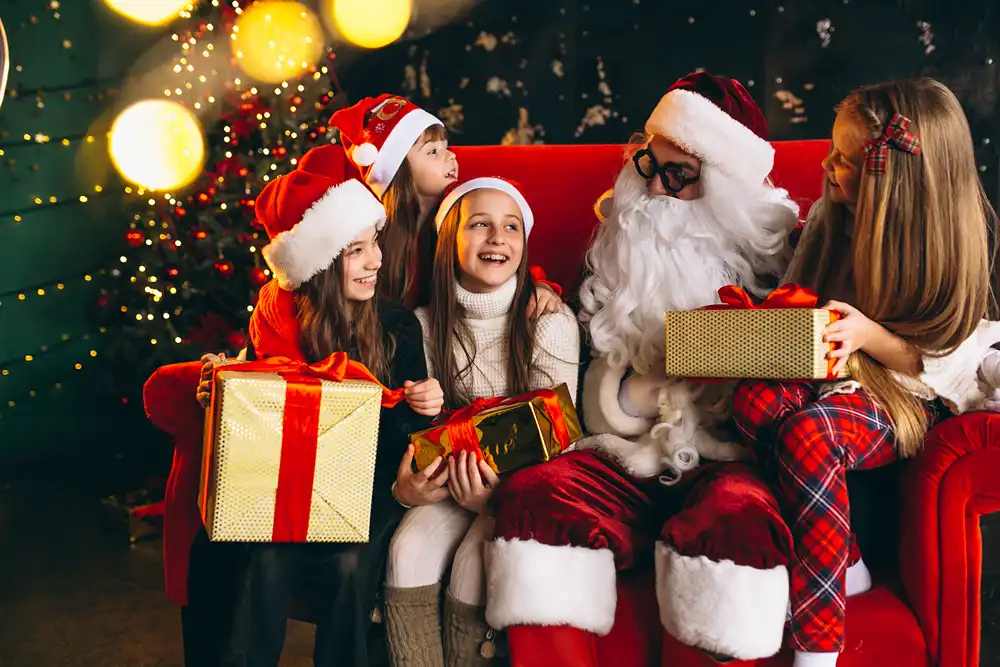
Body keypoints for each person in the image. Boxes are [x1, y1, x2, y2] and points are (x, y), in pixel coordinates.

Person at [482, 72, 802, 666]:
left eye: (677, 175)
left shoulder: (778, 258)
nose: (652, 188)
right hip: (622, 454)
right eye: (646, 164)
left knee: (734, 528)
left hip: (727, 459)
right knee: (535, 501)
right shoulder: (614, 252)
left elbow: (814, 350)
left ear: (725, 189)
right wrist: (645, 382)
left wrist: (721, 352)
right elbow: (582, 379)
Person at [731, 78, 1000, 667]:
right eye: (832, 151)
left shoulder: (949, 241)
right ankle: (844, 560)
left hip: (909, 390)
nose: (825, 167)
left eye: (844, 161)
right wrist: (760, 329)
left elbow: (944, 359)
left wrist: (867, 335)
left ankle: (818, 646)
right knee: (753, 400)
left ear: (891, 183)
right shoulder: (833, 217)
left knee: (812, 433)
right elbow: (794, 298)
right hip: (832, 371)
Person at [197, 170, 445, 667]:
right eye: (356, 250)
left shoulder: (396, 327)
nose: (376, 259)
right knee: (264, 558)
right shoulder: (276, 326)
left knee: (349, 564)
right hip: (287, 494)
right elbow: (255, 418)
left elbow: (412, 443)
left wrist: (425, 404)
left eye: (373, 241)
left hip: (369, 494)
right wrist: (222, 394)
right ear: (320, 264)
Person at [382, 177, 580, 667]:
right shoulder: (422, 326)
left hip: (517, 489)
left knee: (475, 563)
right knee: (405, 550)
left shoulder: (548, 323)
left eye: (511, 227)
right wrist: (406, 488)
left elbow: (561, 439)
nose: (498, 237)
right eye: (481, 225)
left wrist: (497, 500)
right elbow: (412, 436)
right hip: (451, 482)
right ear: (451, 241)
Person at [315, 94, 564, 314]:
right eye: (432, 152)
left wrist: (540, 286)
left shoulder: (461, 214)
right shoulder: (371, 234)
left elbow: (501, 260)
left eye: (447, 147)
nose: (450, 156)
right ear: (398, 170)